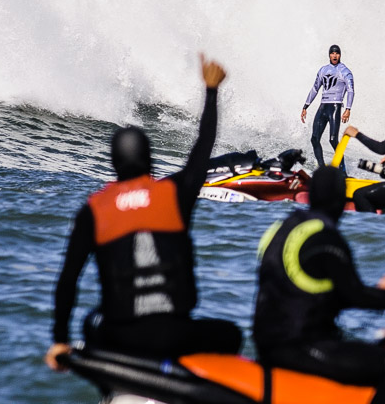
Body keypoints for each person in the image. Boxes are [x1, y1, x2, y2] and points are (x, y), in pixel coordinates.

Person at [45, 55, 242, 370]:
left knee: (91, 323)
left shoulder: (94, 210)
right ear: (150, 161)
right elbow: (203, 148)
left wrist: (59, 340)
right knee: (230, 334)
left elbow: (68, 279)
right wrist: (211, 90)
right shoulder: (173, 195)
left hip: (121, 338)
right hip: (176, 334)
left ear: (114, 165)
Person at [253, 167, 385, 404]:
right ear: (340, 200)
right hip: (300, 346)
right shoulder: (325, 236)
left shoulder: (285, 227)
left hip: (269, 341)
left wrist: (383, 289)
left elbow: (307, 292)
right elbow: (358, 297)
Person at [300, 44, 355, 169]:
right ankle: (321, 168)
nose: (334, 55)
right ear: (329, 55)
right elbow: (315, 88)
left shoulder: (345, 71)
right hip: (323, 106)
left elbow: (351, 90)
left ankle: (342, 169)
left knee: (333, 140)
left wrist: (348, 109)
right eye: (332, 53)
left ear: (340, 55)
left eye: (337, 53)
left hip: (335, 107)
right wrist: (305, 106)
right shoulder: (323, 70)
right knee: (314, 139)